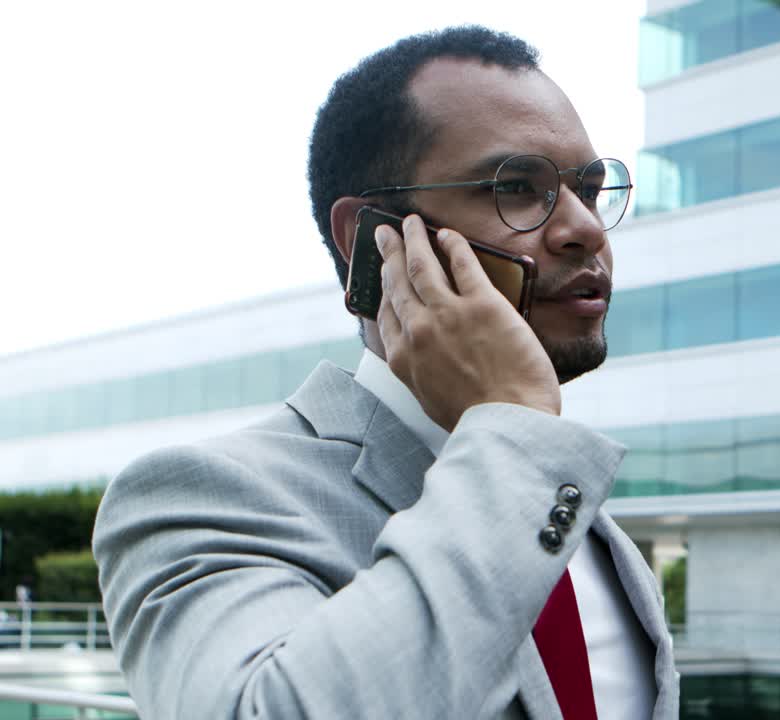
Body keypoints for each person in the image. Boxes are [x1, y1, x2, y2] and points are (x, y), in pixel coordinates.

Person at [93, 26, 678, 719]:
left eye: (589, 189)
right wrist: (516, 428)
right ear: (372, 237)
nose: (587, 229)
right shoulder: (204, 496)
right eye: (519, 187)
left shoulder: (586, 522)